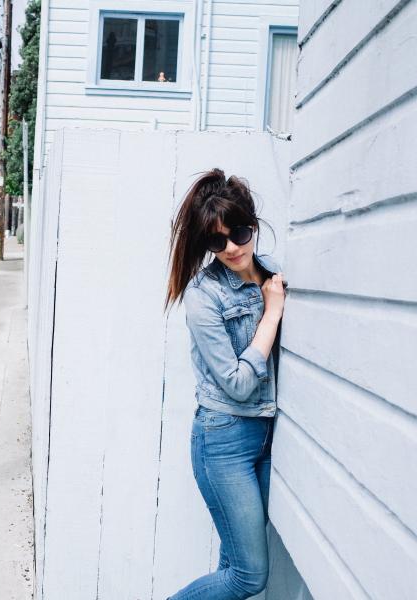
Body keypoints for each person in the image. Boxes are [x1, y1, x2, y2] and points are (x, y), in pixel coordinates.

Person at [164, 169, 287, 599]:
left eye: (239, 233)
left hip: (266, 435)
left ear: (252, 224)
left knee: (232, 564)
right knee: (248, 577)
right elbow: (237, 383)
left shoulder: (274, 276)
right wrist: (272, 314)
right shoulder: (204, 296)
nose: (232, 248)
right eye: (217, 242)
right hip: (224, 440)